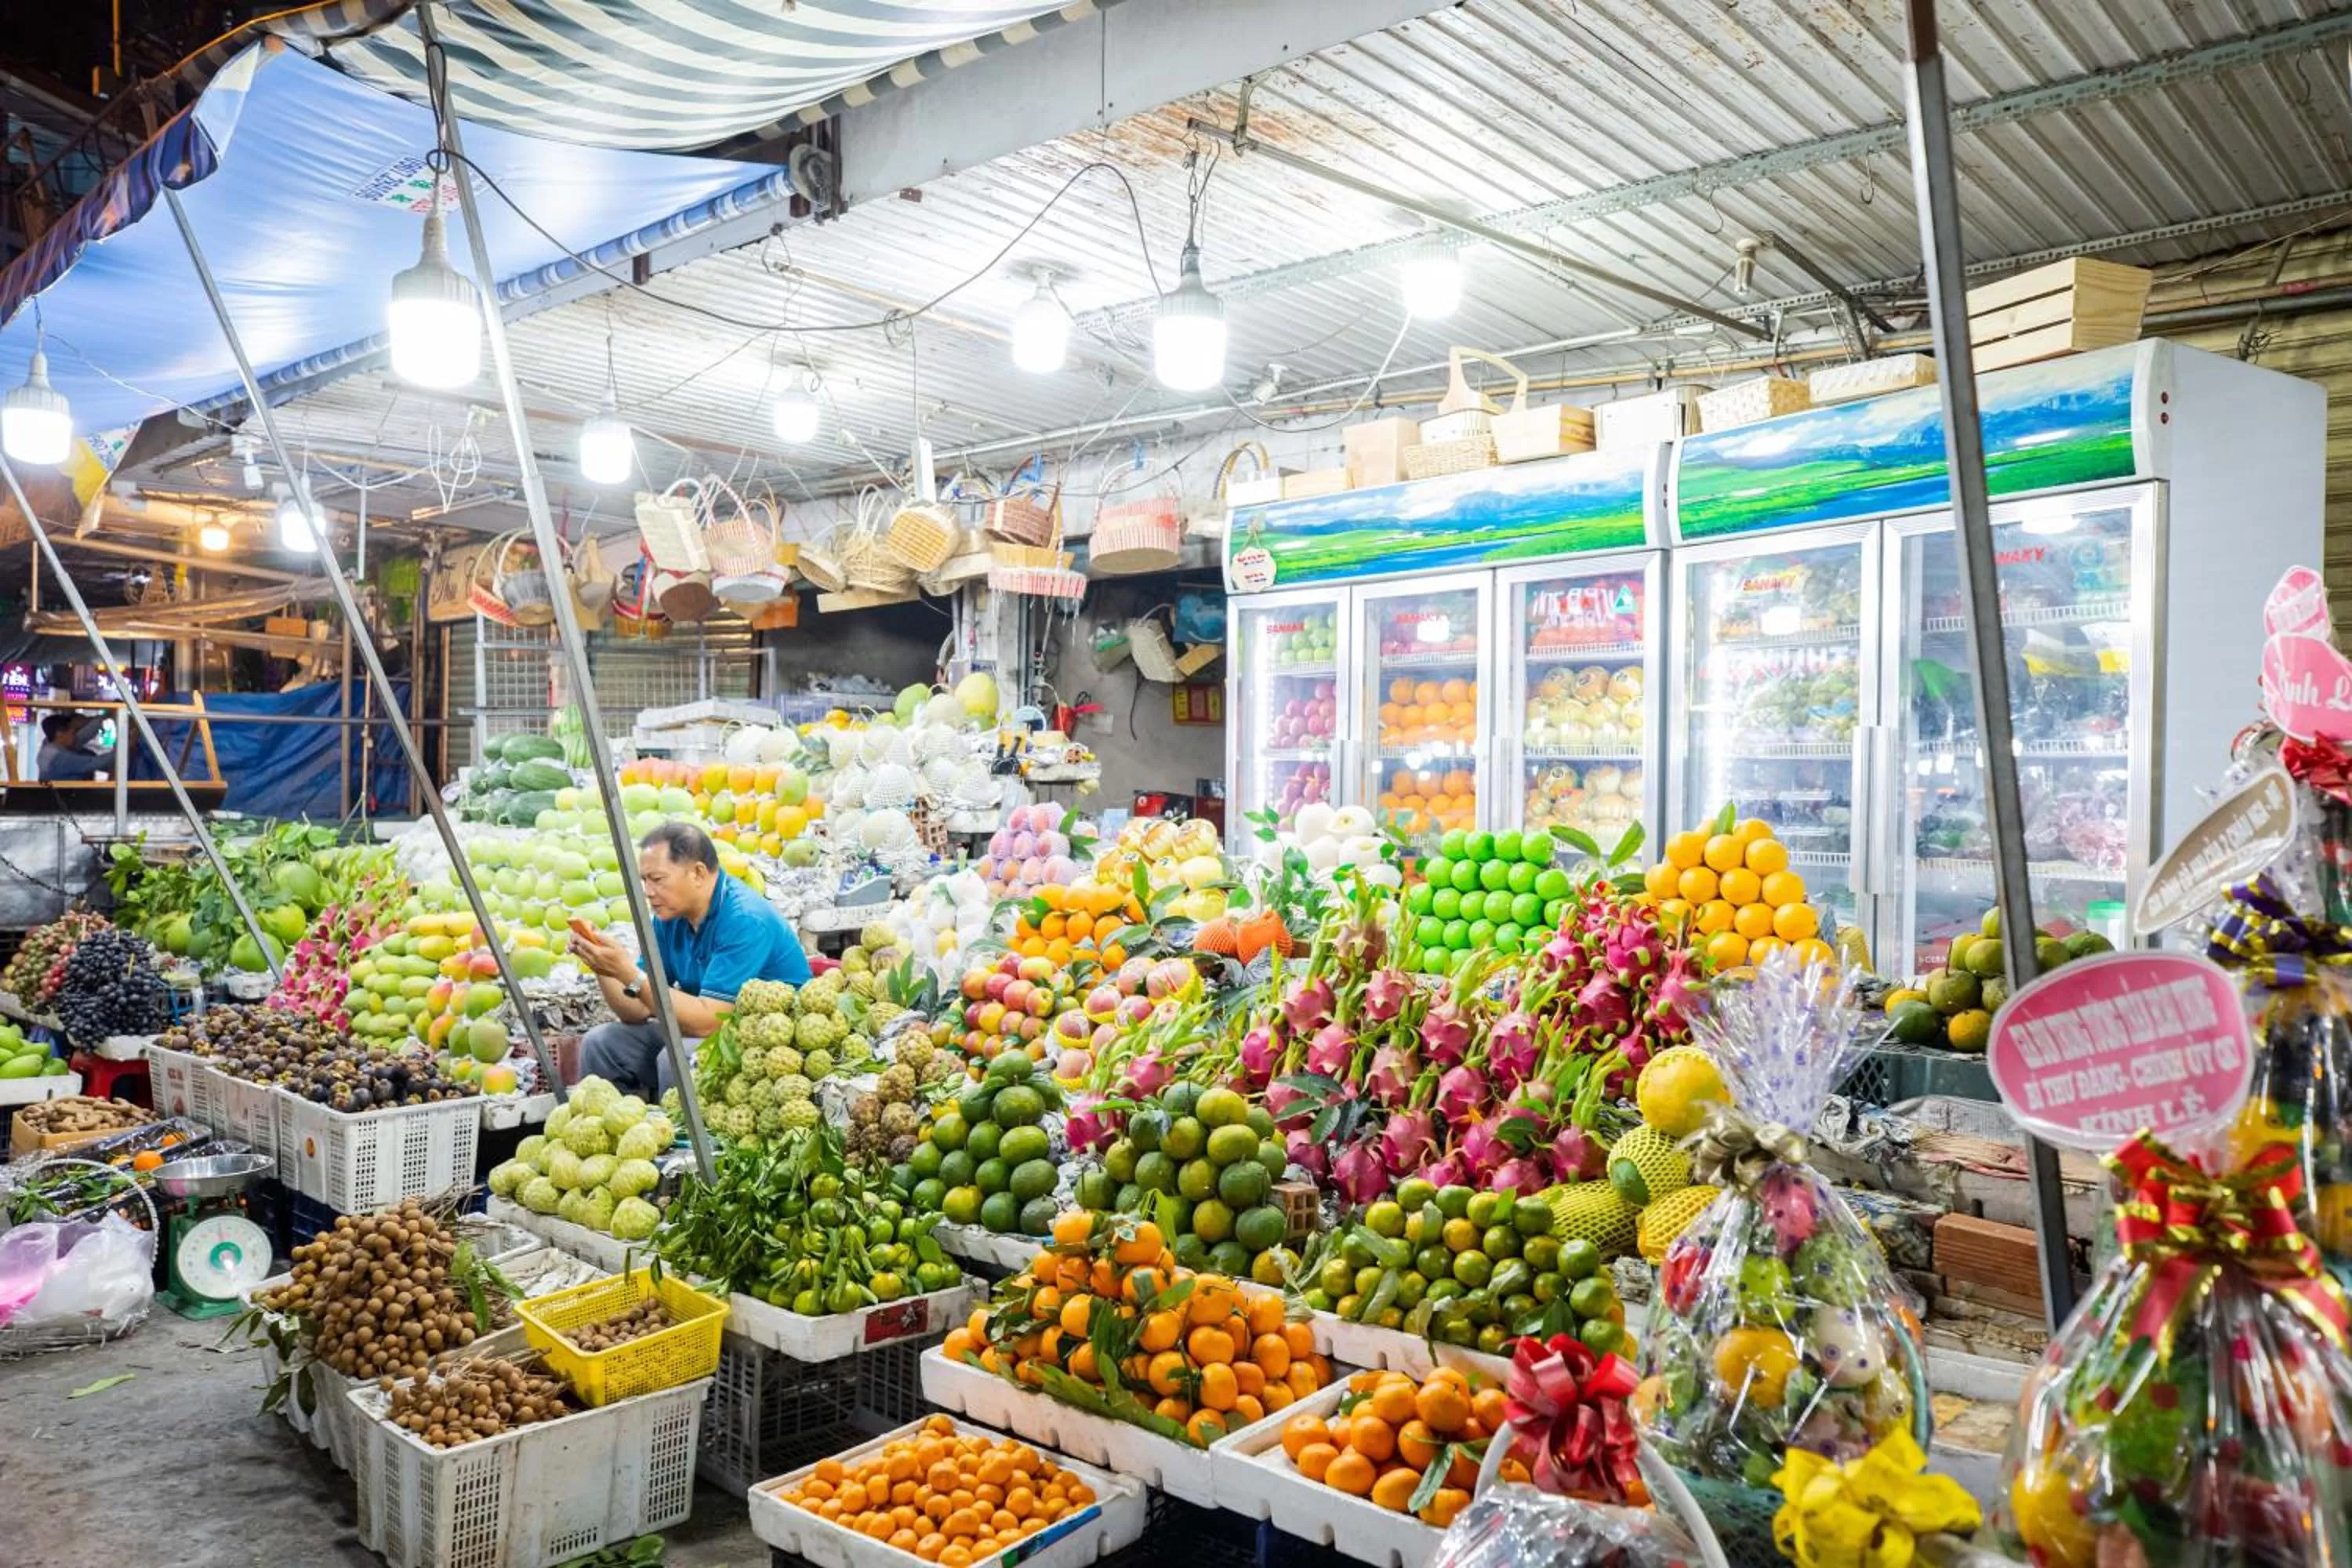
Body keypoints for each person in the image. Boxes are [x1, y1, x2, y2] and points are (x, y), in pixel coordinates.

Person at [572, 820, 811, 1098]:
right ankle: (614, 1133)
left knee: (677, 1057)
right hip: (712, 1030)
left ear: (697, 873)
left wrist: (629, 973)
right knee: (602, 1043)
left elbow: (708, 1022)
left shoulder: (745, 919)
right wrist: (601, 964)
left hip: (769, 1044)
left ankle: (677, 1139)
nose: (648, 892)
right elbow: (635, 1009)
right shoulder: (670, 917)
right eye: (644, 880)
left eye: (657, 879)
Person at [36, 713, 102, 782]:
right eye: (73, 730)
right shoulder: (56, 755)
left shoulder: (54, 746)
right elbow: (96, 763)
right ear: (59, 733)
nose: (74, 734)